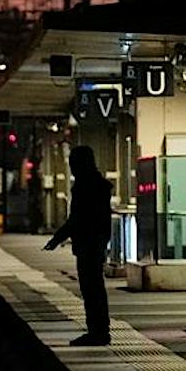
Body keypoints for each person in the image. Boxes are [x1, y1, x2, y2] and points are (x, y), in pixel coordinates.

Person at [44, 144, 111, 347]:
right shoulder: (98, 185)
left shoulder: (85, 187)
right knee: (94, 288)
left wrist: (57, 238)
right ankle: (99, 330)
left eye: (73, 163)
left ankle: (97, 331)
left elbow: (77, 219)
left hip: (89, 243)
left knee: (91, 288)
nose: (72, 168)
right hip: (96, 242)